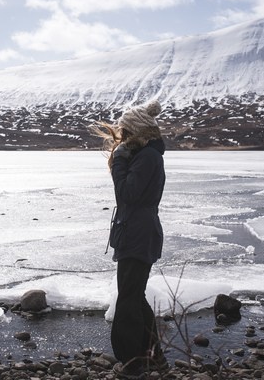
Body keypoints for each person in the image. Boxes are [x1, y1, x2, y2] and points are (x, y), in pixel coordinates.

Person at [95, 100, 168, 379]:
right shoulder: (147, 155)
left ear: (136, 132)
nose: (121, 137)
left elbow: (127, 194)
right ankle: (154, 358)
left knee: (127, 299)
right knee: (134, 295)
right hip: (136, 231)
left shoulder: (147, 157)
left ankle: (132, 363)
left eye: (125, 132)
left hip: (138, 233)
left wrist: (120, 162)